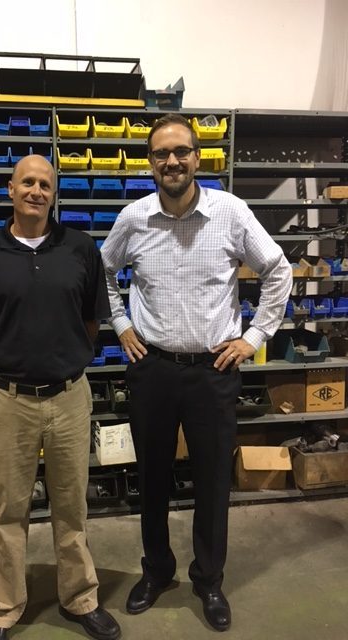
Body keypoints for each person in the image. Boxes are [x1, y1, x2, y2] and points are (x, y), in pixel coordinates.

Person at [100, 114, 292, 632]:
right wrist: (120, 324)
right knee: (153, 479)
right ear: (150, 163)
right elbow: (102, 271)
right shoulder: (134, 219)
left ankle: (209, 579)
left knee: (211, 482)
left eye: (181, 151)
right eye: (161, 154)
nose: (172, 161)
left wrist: (253, 337)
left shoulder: (229, 213)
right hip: (153, 369)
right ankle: (157, 571)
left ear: (198, 157)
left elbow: (278, 268)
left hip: (213, 371)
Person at [0, 155, 121, 640]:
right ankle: (3, 609)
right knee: (8, 510)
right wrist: (10, 368)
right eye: (27, 182)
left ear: (54, 194)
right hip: (9, 401)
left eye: (45, 184)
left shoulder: (81, 249)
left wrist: (62, 362)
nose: (36, 190)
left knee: (72, 506)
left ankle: (80, 598)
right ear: (11, 189)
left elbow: (91, 324)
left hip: (70, 397)